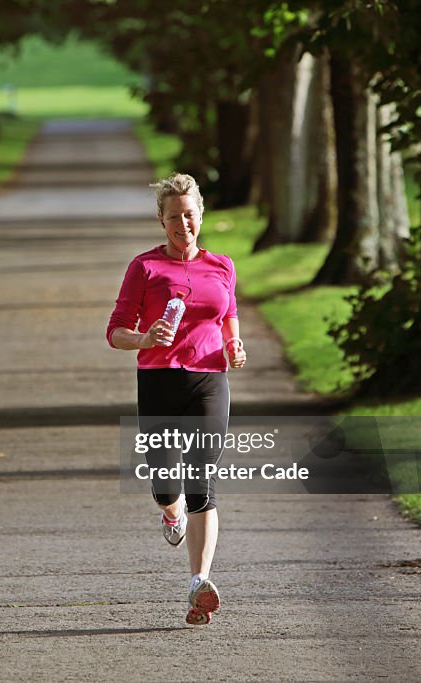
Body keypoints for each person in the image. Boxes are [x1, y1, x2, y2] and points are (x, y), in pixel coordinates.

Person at [106, 172, 246, 625]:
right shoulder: (144, 268)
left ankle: (198, 583)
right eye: (173, 218)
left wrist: (234, 345)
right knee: (167, 487)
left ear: (200, 215)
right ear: (161, 221)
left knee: (202, 482)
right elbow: (116, 332)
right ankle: (172, 513)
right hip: (160, 380)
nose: (183, 225)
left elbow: (228, 316)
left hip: (210, 381)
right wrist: (145, 337)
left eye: (189, 216)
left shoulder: (222, 265)